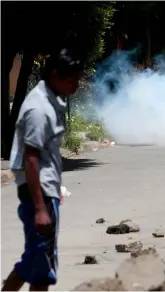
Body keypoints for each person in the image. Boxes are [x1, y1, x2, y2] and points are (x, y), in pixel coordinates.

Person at [2, 48, 84, 291]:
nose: (77, 85)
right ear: (57, 75)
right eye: (73, 79)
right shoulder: (39, 109)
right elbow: (31, 159)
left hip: (43, 192)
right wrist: (40, 207)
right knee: (41, 268)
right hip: (36, 194)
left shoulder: (50, 99)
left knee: (35, 263)